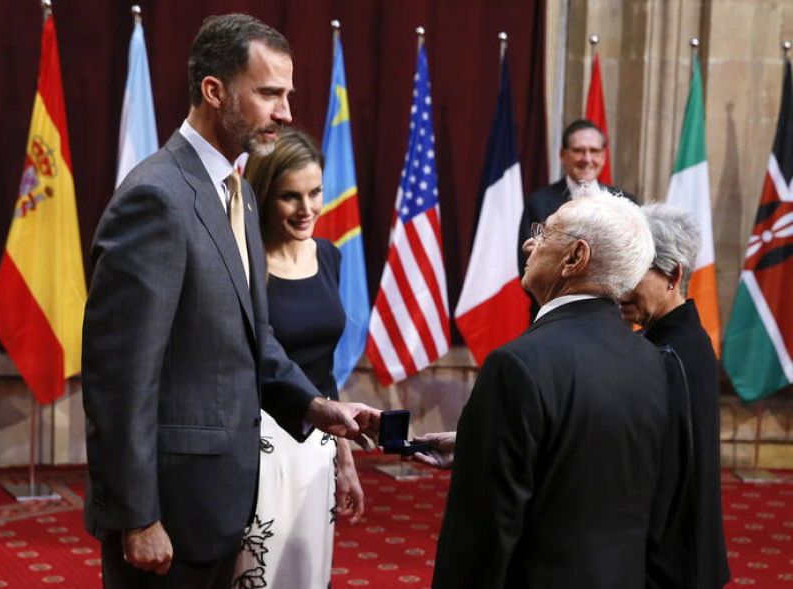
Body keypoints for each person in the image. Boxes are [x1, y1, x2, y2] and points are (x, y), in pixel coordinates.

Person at [81, 15, 379, 589]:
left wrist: (315, 406)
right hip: (167, 513)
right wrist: (137, 516)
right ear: (215, 92)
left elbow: (251, 338)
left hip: (225, 505)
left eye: (287, 94)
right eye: (269, 92)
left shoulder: (238, 193)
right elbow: (119, 378)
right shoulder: (155, 197)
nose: (287, 111)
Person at [431, 188, 681, 588]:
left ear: (574, 258)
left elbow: (482, 536)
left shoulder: (516, 365)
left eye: (545, 233)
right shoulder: (652, 360)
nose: (530, 242)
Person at [231, 129, 364, 588]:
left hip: (317, 446)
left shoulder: (328, 255)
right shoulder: (243, 263)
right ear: (265, 196)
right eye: (291, 196)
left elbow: (323, 371)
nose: (307, 209)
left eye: (315, 192)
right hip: (258, 449)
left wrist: (344, 460)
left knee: (307, 575)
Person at [619, 203, 730, 589]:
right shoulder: (685, 339)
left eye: (634, 274)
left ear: (673, 275)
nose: (620, 287)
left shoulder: (665, 356)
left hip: (666, 568)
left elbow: (657, 479)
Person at [517, 119, 634, 273]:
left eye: (594, 151)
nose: (587, 159)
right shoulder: (538, 203)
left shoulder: (626, 202)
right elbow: (528, 266)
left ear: (603, 156)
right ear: (563, 154)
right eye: (579, 150)